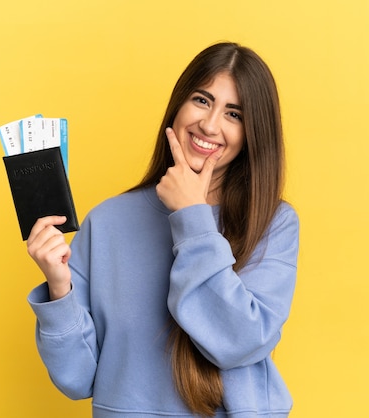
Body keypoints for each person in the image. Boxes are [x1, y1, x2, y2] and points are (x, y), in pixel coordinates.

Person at [26, 42, 300, 418]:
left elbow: (239, 342)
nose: (210, 124)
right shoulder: (107, 221)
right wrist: (59, 288)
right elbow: (77, 380)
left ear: (254, 133)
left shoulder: (274, 223)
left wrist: (192, 216)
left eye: (234, 113)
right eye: (202, 101)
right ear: (178, 105)